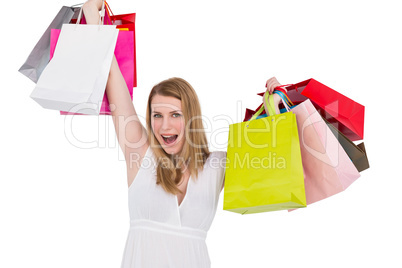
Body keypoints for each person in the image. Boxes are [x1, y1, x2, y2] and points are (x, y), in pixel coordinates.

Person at [82, 1, 283, 267]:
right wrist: (90, 11)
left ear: (192, 119)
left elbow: (274, 166)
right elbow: (111, 74)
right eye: (157, 115)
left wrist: (276, 109)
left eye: (175, 115)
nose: (165, 126)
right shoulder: (140, 154)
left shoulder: (218, 165)